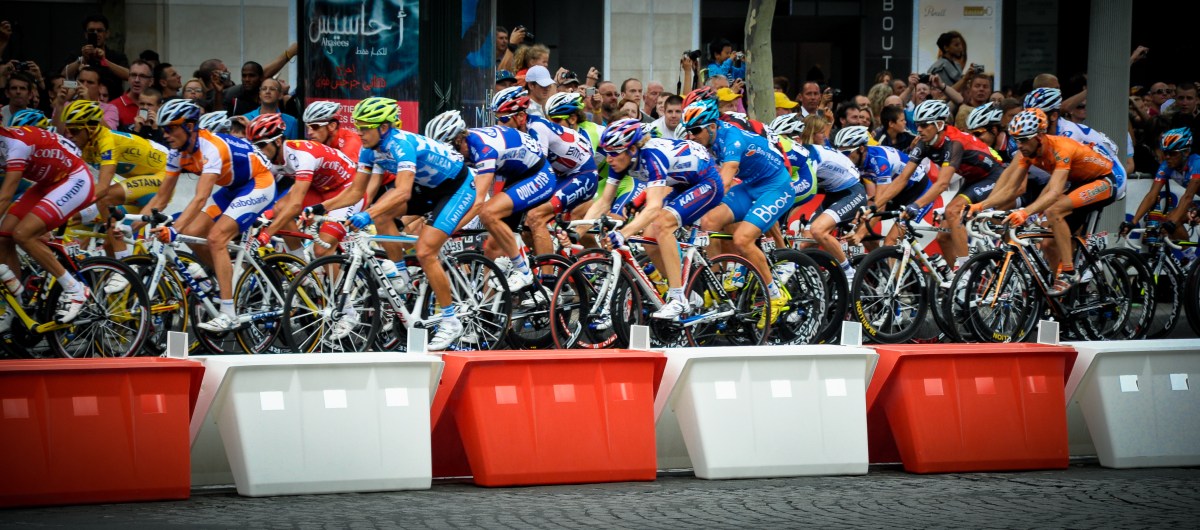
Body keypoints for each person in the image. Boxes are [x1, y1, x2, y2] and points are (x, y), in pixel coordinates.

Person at [341, 99, 477, 349]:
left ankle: (450, 321)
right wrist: (319, 209)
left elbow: (402, 192)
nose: (358, 132)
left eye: (365, 127)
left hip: (456, 188)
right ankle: (401, 273)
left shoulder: (400, 144)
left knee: (426, 250)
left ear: (383, 127)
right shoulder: (368, 149)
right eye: (357, 126)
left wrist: (366, 214)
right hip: (428, 189)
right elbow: (355, 192)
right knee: (383, 215)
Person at [144, 99, 275, 332]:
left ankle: (229, 313)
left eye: (171, 127)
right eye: (163, 129)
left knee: (216, 238)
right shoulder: (177, 153)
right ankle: (227, 278)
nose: (166, 134)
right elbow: (161, 199)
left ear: (190, 126)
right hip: (234, 188)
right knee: (192, 232)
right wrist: (133, 225)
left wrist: (173, 230)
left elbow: (200, 197)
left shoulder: (210, 147)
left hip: (259, 182)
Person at [590, 118, 723, 321]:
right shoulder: (621, 160)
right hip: (682, 183)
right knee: (650, 239)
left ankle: (678, 298)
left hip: (707, 181)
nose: (609, 159)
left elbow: (653, 208)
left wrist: (623, 233)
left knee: (661, 223)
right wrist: (577, 232)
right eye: (606, 152)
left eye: (614, 153)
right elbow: (603, 202)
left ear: (632, 149)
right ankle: (687, 294)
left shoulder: (652, 156)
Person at [972, 110, 1117, 295]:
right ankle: (1058, 289)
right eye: (1016, 139)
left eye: (1024, 139)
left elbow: (1055, 191)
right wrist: (980, 206)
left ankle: (1069, 272)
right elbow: (1010, 190)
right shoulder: (1028, 153)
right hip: (1079, 183)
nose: (1020, 145)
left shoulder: (1061, 148)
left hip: (1103, 181)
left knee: (1054, 211)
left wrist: (1025, 212)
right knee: (1048, 243)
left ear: (1040, 136)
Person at [685, 100, 795, 328]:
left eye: (695, 131)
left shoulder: (731, 139)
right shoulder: (707, 143)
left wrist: (696, 204)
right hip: (750, 185)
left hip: (776, 186)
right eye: (689, 131)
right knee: (708, 222)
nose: (691, 136)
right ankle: (716, 286)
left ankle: (775, 295)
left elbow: (725, 179)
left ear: (712, 127)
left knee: (742, 239)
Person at [451, 88, 556, 291]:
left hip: (539, 175)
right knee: (492, 247)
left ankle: (525, 272)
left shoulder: (483, 149)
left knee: (488, 212)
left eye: (504, 118)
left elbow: (479, 201)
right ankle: (492, 315)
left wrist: (450, 229)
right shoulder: (469, 146)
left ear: (461, 141)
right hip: (520, 176)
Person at [881, 99, 1003, 270]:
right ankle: (957, 281)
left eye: (924, 125)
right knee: (943, 237)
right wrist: (874, 207)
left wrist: (916, 205)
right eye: (917, 125)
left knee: (952, 211)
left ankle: (964, 272)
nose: (919, 130)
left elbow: (942, 183)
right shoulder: (924, 142)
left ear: (939, 124)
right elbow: (902, 179)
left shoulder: (954, 143)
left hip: (993, 177)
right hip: (972, 180)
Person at [0, 123, 95, 326]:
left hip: (74, 179)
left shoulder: (16, 145)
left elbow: (5, 196)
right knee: (4, 235)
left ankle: (74, 290)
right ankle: (17, 306)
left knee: (23, 234)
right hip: (48, 183)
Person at [499, 89, 598, 263]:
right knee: (527, 227)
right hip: (563, 177)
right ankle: (560, 270)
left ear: (520, 117)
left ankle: (549, 280)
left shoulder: (537, 128)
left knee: (535, 216)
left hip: (583, 174)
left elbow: (537, 168)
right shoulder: (521, 132)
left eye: (504, 118)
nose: (500, 123)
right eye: (497, 118)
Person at [247, 114, 359, 265]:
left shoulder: (302, 156)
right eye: (254, 146)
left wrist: (267, 234)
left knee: (321, 251)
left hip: (347, 188)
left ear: (278, 141)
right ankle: (301, 266)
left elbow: (295, 205)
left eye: (261, 145)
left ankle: (333, 288)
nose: (258, 151)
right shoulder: (269, 158)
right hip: (320, 188)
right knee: (280, 209)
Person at [769, 113, 865, 281]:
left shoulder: (809, 156)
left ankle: (850, 275)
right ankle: (806, 283)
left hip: (852, 192)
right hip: (832, 194)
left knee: (818, 230)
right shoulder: (798, 152)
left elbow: (804, 192)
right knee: (804, 244)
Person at [834, 125, 929, 247]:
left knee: (890, 242)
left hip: (918, 190)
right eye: (840, 153)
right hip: (897, 191)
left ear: (861, 148)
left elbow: (881, 205)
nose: (843, 158)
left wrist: (859, 235)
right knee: (863, 232)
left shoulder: (879, 161)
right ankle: (879, 264)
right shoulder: (856, 160)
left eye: (846, 153)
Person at [1127, 128, 1200, 240]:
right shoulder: (1166, 166)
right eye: (1165, 153)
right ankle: (1188, 257)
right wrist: (1133, 222)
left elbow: (1188, 197)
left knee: (1173, 220)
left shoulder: (1196, 164)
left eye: (1172, 153)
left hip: (1192, 198)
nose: (1167, 157)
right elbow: (1151, 195)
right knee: (1170, 219)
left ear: (1186, 152)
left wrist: (1173, 222)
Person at [63, 14, 129, 100]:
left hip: (112, 104)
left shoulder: (117, 56)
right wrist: (82, 59)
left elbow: (129, 75)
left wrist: (104, 61)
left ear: (107, 33)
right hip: (82, 104)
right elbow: (63, 75)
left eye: (99, 30)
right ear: (86, 34)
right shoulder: (77, 55)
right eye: (91, 30)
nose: (96, 33)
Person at [113, 60, 154, 128]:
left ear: (151, 81)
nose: (137, 80)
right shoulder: (114, 107)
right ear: (128, 78)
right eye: (133, 75)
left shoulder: (158, 106)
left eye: (142, 76)